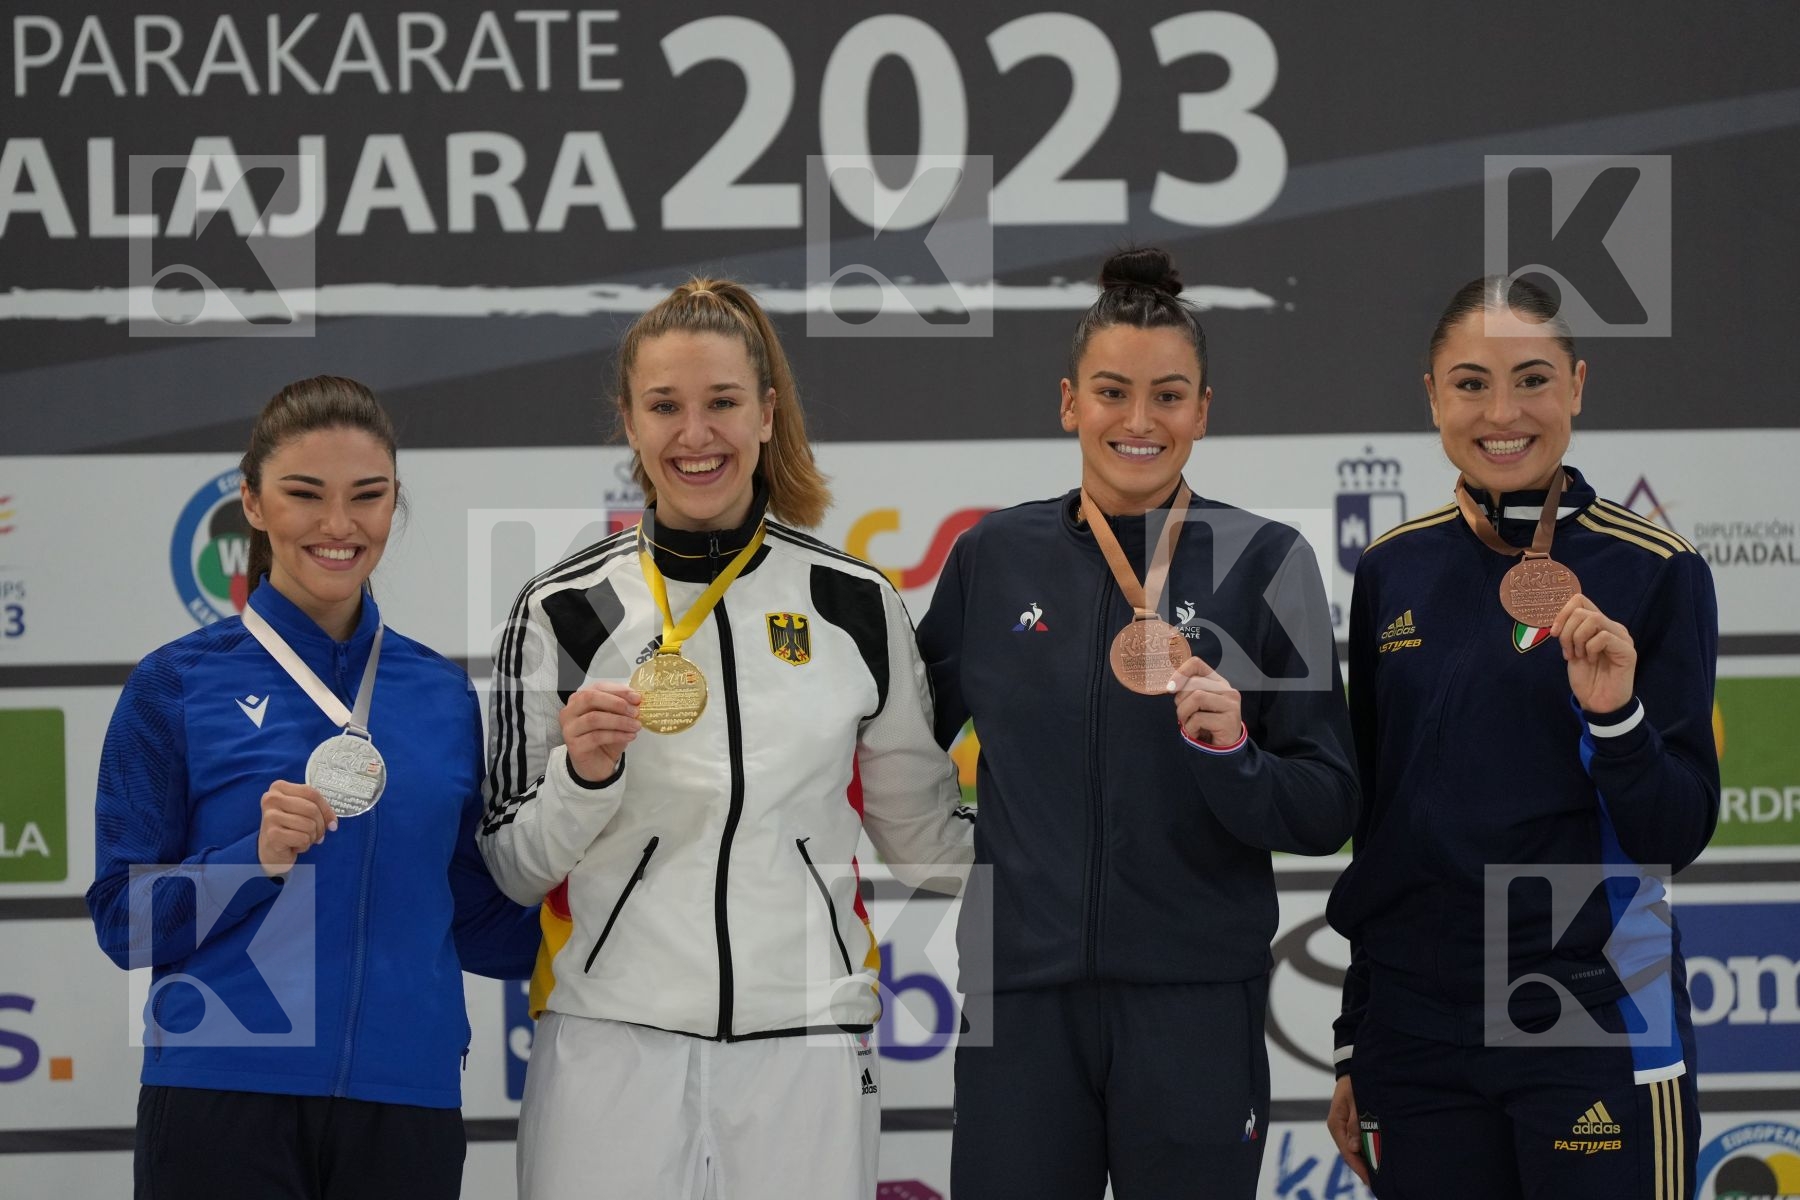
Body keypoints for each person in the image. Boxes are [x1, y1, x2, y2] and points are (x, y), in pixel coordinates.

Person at [478, 278, 974, 1200]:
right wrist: (584, 777)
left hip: (808, 1043)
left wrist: (1078, 819)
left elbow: (927, 841)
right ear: (628, 421)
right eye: (665, 405)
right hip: (606, 1038)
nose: (694, 434)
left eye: (722, 403)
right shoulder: (560, 611)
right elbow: (511, 866)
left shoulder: (855, 604)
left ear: (767, 414)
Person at [916, 247, 1359, 1199]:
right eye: (1114, 393)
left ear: (1204, 410)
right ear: (1070, 402)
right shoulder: (993, 555)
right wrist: (970, 857)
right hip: (1019, 999)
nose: (1140, 422)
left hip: (1195, 1002)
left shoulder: (1267, 562)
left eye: (1169, 396)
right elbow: (894, 737)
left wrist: (1234, 754)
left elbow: (1327, 807)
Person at [87, 376, 541, 1199]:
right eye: (305, 495)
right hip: (224, 1094)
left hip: (406, 1101)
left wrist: (612, 896)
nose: (339, 526)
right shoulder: (175, 685)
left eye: (368, 497)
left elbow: (474, 920)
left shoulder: (438, 694)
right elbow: (123, 921)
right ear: (253, 503)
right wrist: (249, 862)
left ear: (394, 504)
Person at [1324, 277, 1718, 1200]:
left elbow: (1677, 833)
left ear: (1577, 386)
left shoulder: (1656, 571)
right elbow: (1379, 831)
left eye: (1532, 379)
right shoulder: (1391, 570)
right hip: (1417, 1030)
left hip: (1592, 1006)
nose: (1502, 413)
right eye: (1470, 384)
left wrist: (1615, 718)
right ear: (1431, 396)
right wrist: (1356, 1033)